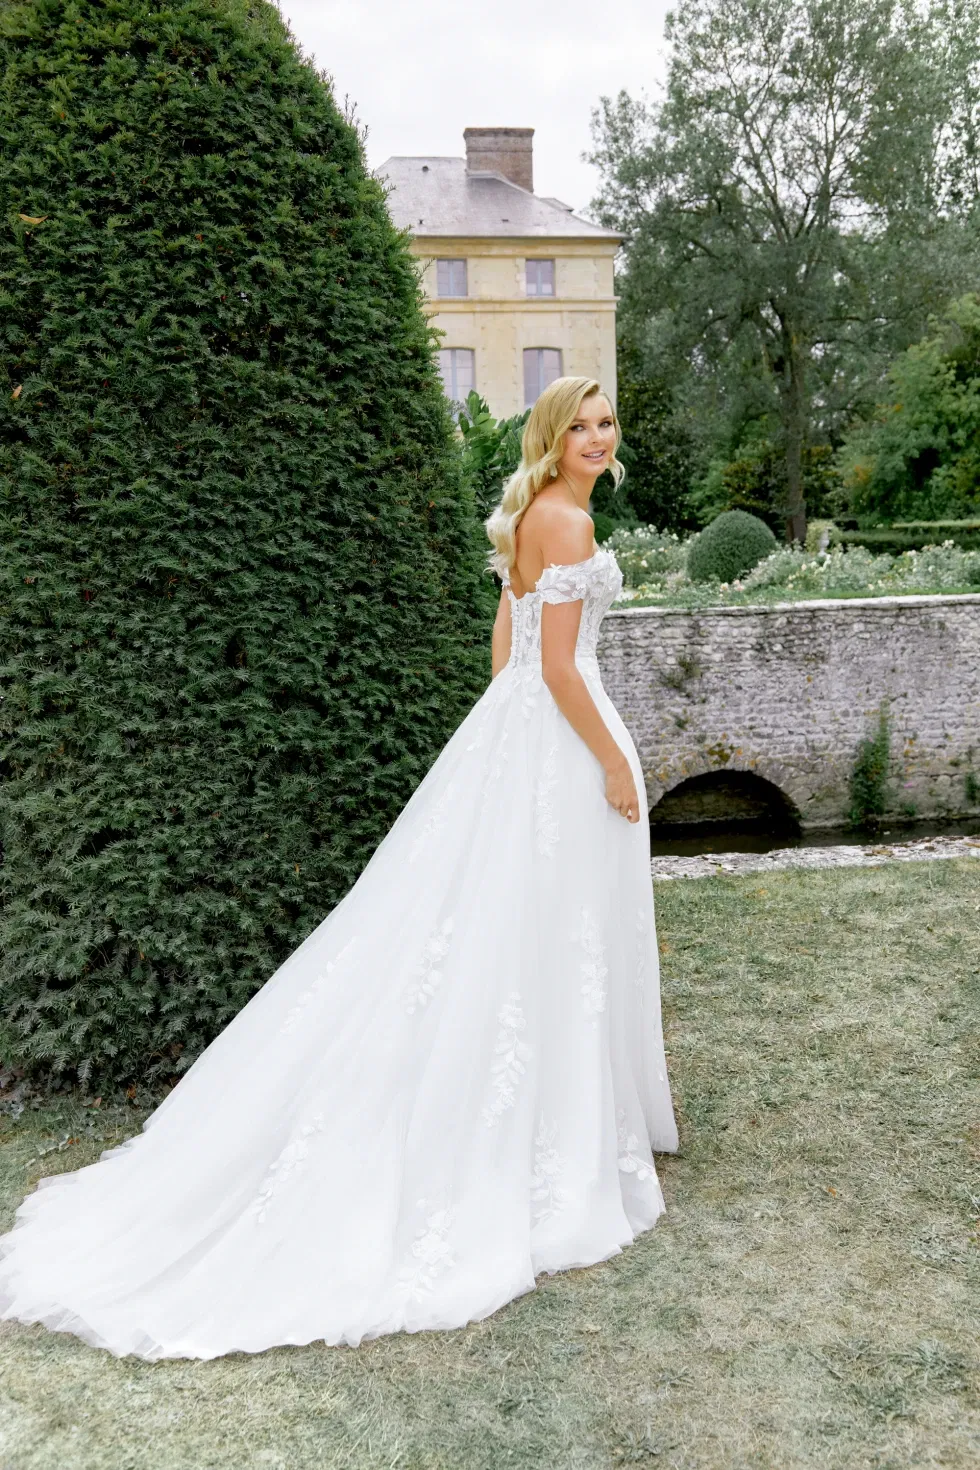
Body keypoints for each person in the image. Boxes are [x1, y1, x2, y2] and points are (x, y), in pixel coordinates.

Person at [0, 375, 678, 1361]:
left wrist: (504, 736)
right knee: (554, 930)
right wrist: (611, 763)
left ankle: (555, 1112)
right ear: (551, 434)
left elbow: (507, 646)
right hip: (566, 739)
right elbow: (560, 667)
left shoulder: (530, 511)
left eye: (605, 422)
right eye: (578, 425)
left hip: (521, 734)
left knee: (519, 929)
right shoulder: (566, 522)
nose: (596, 437)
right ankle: (553, 1135)